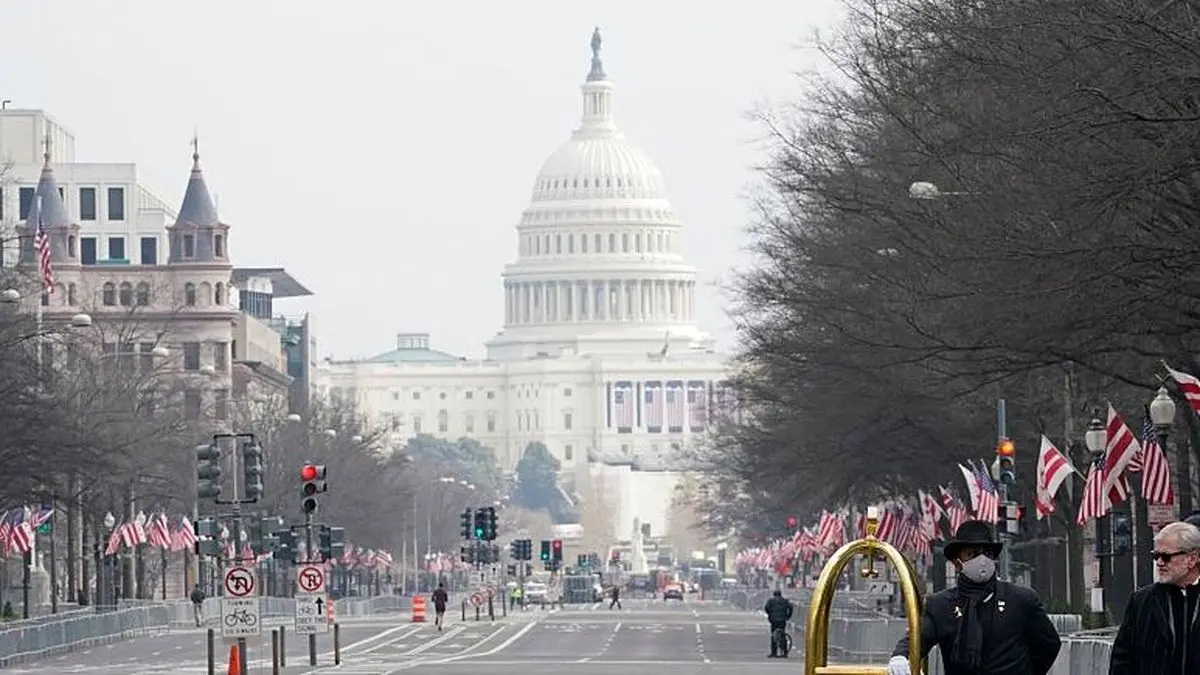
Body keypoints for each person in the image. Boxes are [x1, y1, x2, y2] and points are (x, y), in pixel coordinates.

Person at [887, 520, 1061, 675]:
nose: (982, 560)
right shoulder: (940, 605)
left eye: (987, 553)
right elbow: (918, 638)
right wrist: (901, 656)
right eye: (973, 554)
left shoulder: (1021, 600)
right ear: (957, 563)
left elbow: (1049, 644)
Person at [1109, 520, 1200, 675]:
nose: (1159, 563)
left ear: (1192, 559)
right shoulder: (1141, 601)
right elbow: (1122, 661)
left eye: (1166, 556)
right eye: (1156, 556)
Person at [763, 589, 794, 658]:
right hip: (782, 620)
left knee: (773, 636)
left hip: (773, 620)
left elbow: (766, 608)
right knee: (782, 635)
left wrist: (770, 615)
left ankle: (774, 653)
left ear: (774, 594)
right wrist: (788, 616)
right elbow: (791, 608)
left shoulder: (770, 601)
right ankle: (785, 652)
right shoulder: (785, 601)